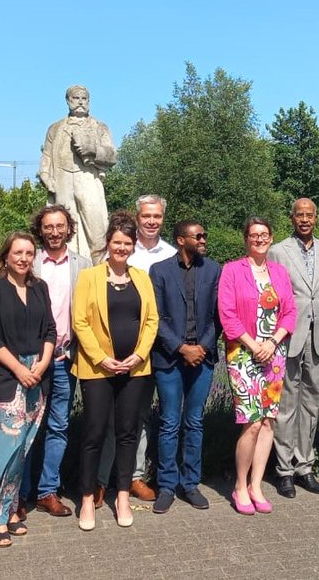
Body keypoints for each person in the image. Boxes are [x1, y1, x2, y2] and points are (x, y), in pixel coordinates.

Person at [73, 212, 159, 530]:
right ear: (107, 244)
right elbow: (80, 320)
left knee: (127, 434)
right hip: (98, 370)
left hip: (135, 370)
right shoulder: (89, 278)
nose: (121, 247)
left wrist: (138, 355)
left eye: (127, 243)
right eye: (116, 242)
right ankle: (86, 499)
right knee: (94, 434)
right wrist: (101, 358)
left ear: (133, 246)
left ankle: (122, 495)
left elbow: (151, 320)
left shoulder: (142, 278)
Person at [0, 231, 55, 547]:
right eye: (17, 252)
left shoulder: (39, 288)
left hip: (37, 374)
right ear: (6, 255)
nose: (23, 258)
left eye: (29, 253)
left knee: (23, 447)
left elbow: (50, 329)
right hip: (5, 376)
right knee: (3, 450)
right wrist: (19, 368)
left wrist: (42, 363)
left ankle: (10, 510)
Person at [218, 218, 298, 515]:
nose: (260, 239)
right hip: (243, 353)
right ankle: (240, 486)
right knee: (251, 421)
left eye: (264, 235)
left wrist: (273, 343)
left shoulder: (279, 272)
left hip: (273, 354)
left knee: (268, 421)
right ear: (245, 239)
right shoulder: (232, 271)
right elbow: (227, 315)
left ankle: (257, 485)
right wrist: (255, 346)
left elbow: (290, 312)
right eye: (254, 235)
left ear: (271, 238)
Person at [16, 205, 90, 521]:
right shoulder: (28, 262)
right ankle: (19, 493)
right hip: (32, 361)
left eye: (60, 226)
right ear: (41, 229)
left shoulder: (83, 266)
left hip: (65, 359)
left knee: (58, 426)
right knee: (26, 426)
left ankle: (48, 491)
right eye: (48, 226)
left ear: (68, 229)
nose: (54, 231)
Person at [149, 220, 221, 514]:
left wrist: (201, 347)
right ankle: (166, 485)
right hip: (169, 358)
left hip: (202, 358)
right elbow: (155, 316)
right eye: (198, 235)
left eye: (204, 234)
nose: (203, 239)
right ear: (181, 240)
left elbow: (219, 314)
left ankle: (190, 483)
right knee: (169, 423)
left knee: (194, 422)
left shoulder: (215, 270)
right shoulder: (160, 271)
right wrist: (181, 347)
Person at [270, 197, 319, 498]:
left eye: (310, 215)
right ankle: (283, 469)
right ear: (292, 218)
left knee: (311, 403)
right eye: (300, 215)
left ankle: (305, 466)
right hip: (289, 335)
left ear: (316, 218)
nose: (305, 220)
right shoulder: (277, 252)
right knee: (286, 405)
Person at [122, 194, 176, 502]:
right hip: (130, 347)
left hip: (164, 348)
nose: (151, 221)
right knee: (127, 413)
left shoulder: (170, 253)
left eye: (156, 216)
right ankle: (119, 476)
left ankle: (141, 475)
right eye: (146, 216)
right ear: (138, 217)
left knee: (159, 414)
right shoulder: (124, 250)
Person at [38, 85, 117, 258]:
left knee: (97, 228)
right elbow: (46, 157)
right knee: (64, 230)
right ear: (68, 101)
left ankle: (101, 270)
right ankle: (69, 270)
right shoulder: (55, 128)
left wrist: (93, 149)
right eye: (76, 98)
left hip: (88, 179)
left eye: (84, 99)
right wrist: (45, 176)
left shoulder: (99, 126)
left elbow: (112, 156)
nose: (81, 102)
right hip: (62, 181)